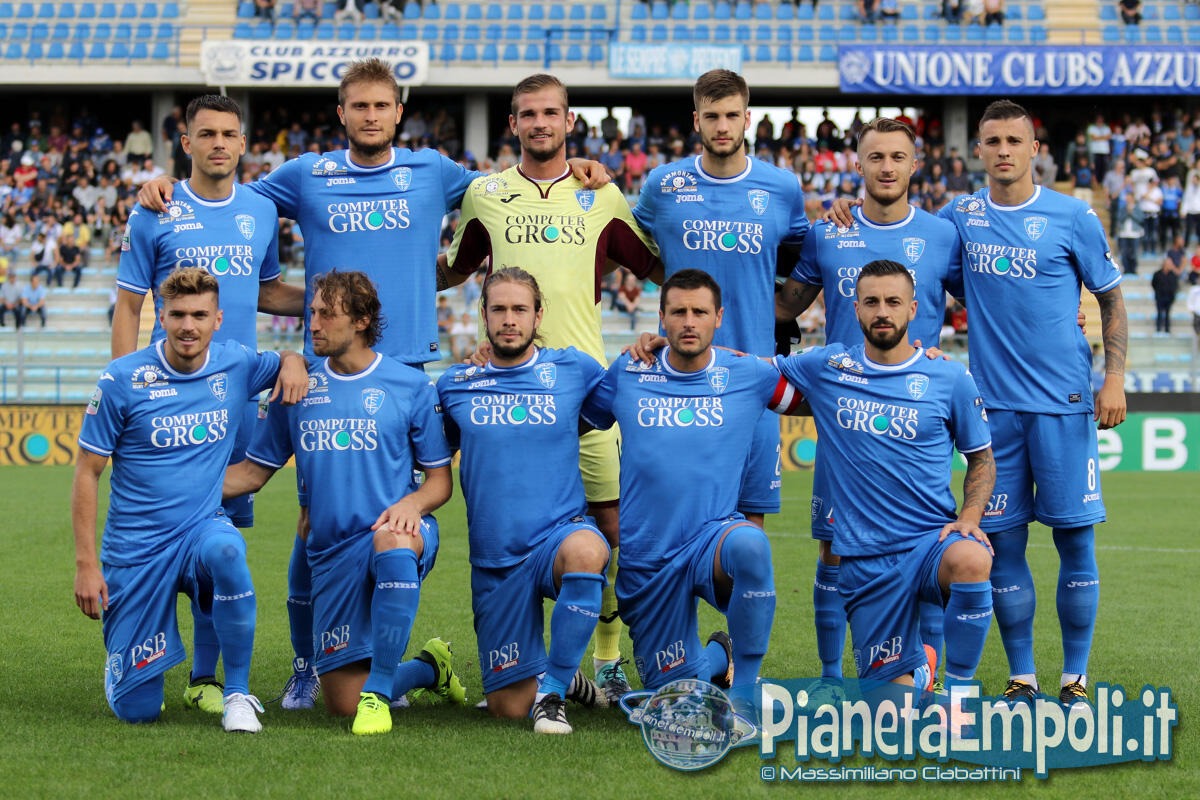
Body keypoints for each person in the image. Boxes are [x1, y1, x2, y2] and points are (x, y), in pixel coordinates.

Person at [139, 61, 609, 709]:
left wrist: (572, 168)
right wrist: (167, 186)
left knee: (398, 521)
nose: (370, 115)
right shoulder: (305, 175)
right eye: (358, 105)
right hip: (327, 374)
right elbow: (228, 195)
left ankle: (388, 671)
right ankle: (311, 666)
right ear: (342, 113)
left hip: (406, 373)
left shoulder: (433, 170)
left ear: (398, 112)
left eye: (381, 105)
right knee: (314, 520)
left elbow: (512, 187)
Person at [440, 73, 661, 705]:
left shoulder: (602, 195)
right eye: (528, 114)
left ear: (570, 122)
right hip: (511, 396)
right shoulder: (485, 195)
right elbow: (452, 270)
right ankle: (528, 666)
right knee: (514, 530)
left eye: (551, 113)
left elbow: (657, 264)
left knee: (612, 533)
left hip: (584, 396)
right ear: (513, 123)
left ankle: (609, 660)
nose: (540, 123)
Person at [115, 94, 306, 715]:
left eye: (229, 133)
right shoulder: (157, 208)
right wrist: (123, 386)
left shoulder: (260, 209)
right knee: (159, 528)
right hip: (164, 404)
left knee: (220, 542)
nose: (219, 143)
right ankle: (142, 649)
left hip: (233, 402)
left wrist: (333, 303)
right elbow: (128, 304)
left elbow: (267, 291)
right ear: (186, 142)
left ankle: (204, 677)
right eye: (206, 133)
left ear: (244, 143)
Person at [935, 100, 1126, 706]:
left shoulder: (1073, 216)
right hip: (993, 412)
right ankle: (1023, 676)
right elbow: (911, 245)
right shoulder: (960, 215)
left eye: (1014, 141)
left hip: (1063, 405)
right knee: (1004, 546)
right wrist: (846, 208)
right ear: (978, 150)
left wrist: (1115, 378)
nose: (1003, 151)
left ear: (1034, 149)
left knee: (1076, 542)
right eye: (992, 141)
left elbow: (1111, 299)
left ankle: (1075, 677)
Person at [224, 270, 463, 735]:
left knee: (393, 540)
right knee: (340, 704)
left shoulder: (410, 386)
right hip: (331, 553)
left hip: (395, 533)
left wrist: (412, 506)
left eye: (326, 314)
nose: (312, 323)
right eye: (311, 312)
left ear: (361, 320)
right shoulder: (297, 389)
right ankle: (430, 668)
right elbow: (251, 474)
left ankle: (379, 695)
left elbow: (439, 481)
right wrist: (182, 489)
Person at [71, 267, 308, 732]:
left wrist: (293, 359)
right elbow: (87, 472)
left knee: (228, 550)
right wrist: (85, 565)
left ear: (217, 319)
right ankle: (124, 671)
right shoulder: (122, 379)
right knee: (138, 711)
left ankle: (236, 694)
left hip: (200, 530)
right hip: (136, 548)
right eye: (178, 314)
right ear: (160, 316)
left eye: (199, 315)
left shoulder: (235, 363)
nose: (188, 326)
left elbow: (283, 359)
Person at [776, 116, 963, 691]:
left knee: (927, 541)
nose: (886, 167)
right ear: (857, 164)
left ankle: (926, 670)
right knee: (833, 549)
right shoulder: (827, 232)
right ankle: (832, 678)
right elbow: (783, 306)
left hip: (917, 419)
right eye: (875, 156)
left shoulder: (941, 235)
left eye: (897, 157)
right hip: (847, 422)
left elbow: (987, 301)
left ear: (915, 165)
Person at [773, 260, 995, 702]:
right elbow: (749, 370)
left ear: (913, 309)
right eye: (871, 302)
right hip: (865, 560)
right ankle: (918, 669)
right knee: (890, 717)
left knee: (972, 558)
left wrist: (970, 518)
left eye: (893, 302)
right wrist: (671, 351)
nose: (882, 312)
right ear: (855, 309)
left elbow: (982, 460)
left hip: (930, 543)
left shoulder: (948, 376)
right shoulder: (828, 366)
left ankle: (960, 700)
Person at [585, 269, 807, 703]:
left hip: (712, 540)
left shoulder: (747, 373)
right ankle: (719, 655)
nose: (689, 322)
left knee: (752, 545)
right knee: (678, 694)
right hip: (649, 560)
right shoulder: (629, 370)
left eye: (700, 312)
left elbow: (823, 393)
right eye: (679, 312)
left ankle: (745, 692)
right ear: (661, 317)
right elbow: (575, 418)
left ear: (718, 317)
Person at [632, 69, 810, 536]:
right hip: (679, 381)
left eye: (732, 115)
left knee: (749, 530)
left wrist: (784, 308)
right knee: (671, 521)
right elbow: (625, 243)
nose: (723, 126)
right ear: (697, 120)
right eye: (712, 116)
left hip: (754, 378)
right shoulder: (663, 184)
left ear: (748, 118)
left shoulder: (782, 188)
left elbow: (808, 257)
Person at [436, 268, 612, 734]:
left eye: (519, 309)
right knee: (508, 709)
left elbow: (630, 395)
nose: (509, 319)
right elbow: (431, 458)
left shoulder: (574, 369)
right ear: (484, 315)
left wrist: (651, 352)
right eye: (499, 309)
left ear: (538, 315)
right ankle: (564, 675)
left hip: (559, 536)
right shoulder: (455, 384)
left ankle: (551, 692)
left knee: (587, 551)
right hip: (496, 559)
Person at [1153, 243, 1182, 334]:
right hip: (1160, 297)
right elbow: (1153, 284)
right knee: (1159, 313)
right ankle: (1158, 329)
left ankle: (1167, 330)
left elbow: (1175, 285)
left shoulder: (1172, 275)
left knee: (1167, 314)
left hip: (1169, 297)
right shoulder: (1157, 274)